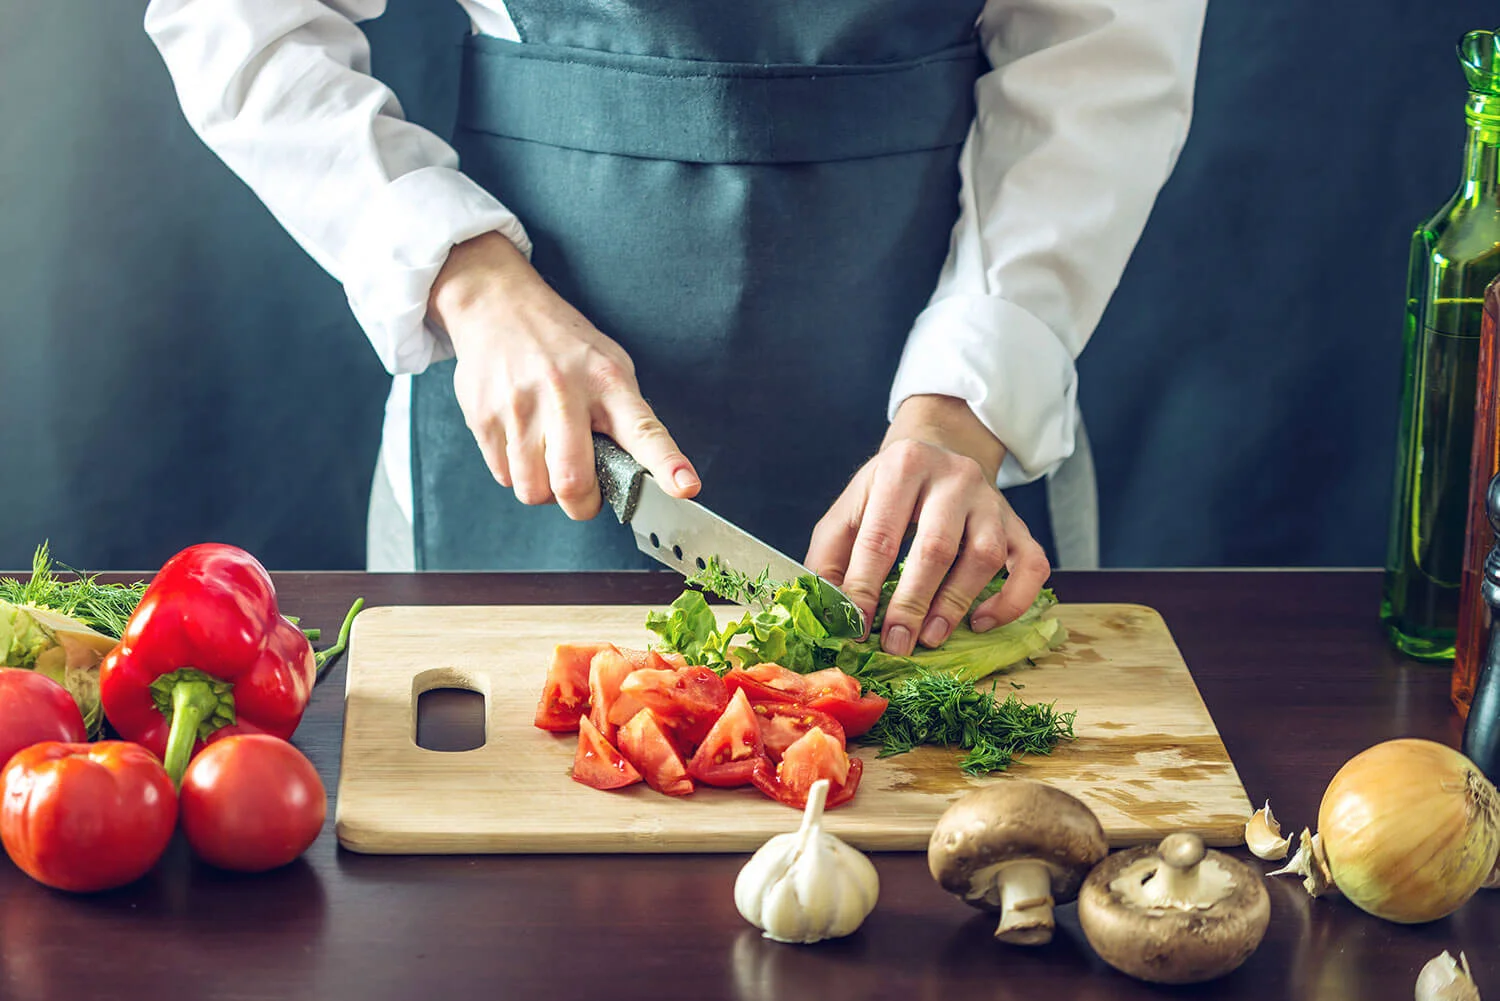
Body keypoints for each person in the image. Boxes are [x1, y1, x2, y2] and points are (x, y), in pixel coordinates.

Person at [142, 0, 1205, 657]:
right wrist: (463, 272)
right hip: (525, 394)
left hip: (945, 381)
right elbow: (238, 16)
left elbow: (1102, 52)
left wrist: (969, 401)